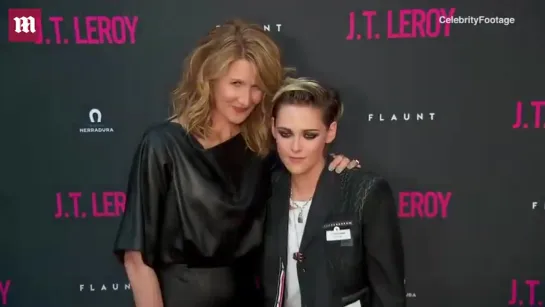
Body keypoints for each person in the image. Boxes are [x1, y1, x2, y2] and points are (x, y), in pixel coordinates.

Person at [113, 20, 359, 307]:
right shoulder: (162, 145)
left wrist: (334, 167)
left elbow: (303, 185)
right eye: (236, 84)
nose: (246, 99)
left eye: (256, 88)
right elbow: (136, 258)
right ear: (209, 78)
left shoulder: (262, 148)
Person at [261, 78, 406, 307]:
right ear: (273, 129)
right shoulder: (263, 190)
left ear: (330, 132)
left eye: (309, 135)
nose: (295, 147)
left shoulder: (365, 193)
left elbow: (388, 294)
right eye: (286, 133)